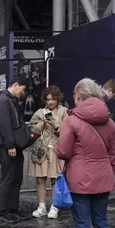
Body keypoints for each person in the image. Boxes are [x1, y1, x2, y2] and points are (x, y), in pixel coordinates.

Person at [55, 78, 115, 228]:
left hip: (80, 179)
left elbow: (64, 151)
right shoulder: (110, 123)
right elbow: (112, 154)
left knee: (82, 224)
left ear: (79, 96)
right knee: (101, 222)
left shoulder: (71, 121)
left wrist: (56, 149)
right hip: (103, 178)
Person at [29, 85, 67, 219]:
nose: (50, 102)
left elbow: (68, 131)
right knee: (40, 179)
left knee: (55, 180)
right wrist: (41, 124)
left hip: (56, 150)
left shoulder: (63, 112)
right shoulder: (40, 112)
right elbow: (33, 130)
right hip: (42, 150)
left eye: (53, 99)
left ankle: (54, 207)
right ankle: (41, 206)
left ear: (58, 99)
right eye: (48, 99)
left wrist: (55, 124)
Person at [0, 76, 29, 221]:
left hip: (13, 144)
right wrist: (10, 145)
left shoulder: (9, 100)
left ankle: (12, 208)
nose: (23, 93)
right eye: (23, 89)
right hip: (7, 146)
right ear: (16, 85)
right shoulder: (3, 101)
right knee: (9, 177)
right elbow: (4, 124)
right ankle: (2, 210)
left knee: (16, 176)